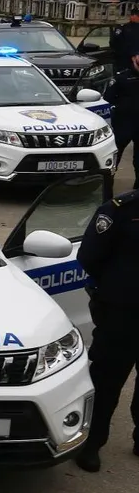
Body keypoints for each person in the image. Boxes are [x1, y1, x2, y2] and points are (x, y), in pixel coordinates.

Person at [74, 188, 139, 473]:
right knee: (107, 380)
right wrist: (116, 287)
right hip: (122, 311)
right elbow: (90, 256)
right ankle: (91, 442)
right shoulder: (120, 209)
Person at [105, 68, 139, 176]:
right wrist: (123, 106)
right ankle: (108, 184)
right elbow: (108, 97)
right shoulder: (121, 77)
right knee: (115, 153)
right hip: (124, 122)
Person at [111, 7, 139, 76]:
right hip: (125, 60)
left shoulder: (124, 28)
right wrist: (133, 56)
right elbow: (115, 42)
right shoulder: (123, 28)